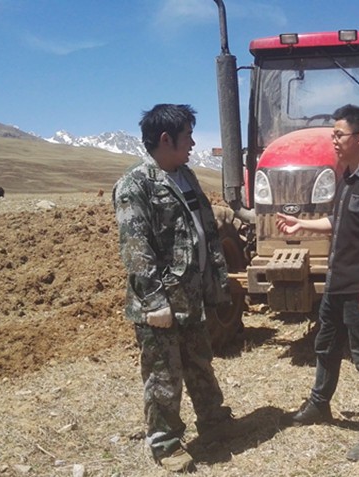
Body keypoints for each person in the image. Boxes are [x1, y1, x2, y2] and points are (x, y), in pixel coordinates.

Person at [112, 104, 233, 472]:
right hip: (161, 303)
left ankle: (213, 420)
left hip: (191, 296)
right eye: (188, 136)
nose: (193, 143)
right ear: (166, 139)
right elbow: (136, 248)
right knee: (164, 373)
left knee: (199, 362)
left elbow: (203, 230)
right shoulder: (136, 184)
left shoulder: (186, 176)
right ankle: (165, 443)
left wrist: (216, 284)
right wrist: (154, 302)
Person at [276, 104, 359, 461]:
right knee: (326, 347)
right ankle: (320, 404)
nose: (333, 140)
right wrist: (302, 225)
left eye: (338, 135)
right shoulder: (347, 177)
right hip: (336, 284)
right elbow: (338, 221)